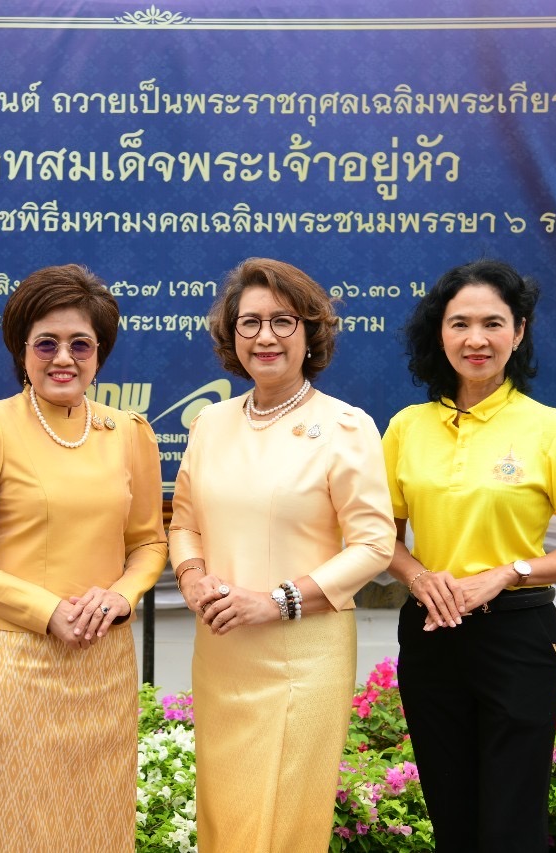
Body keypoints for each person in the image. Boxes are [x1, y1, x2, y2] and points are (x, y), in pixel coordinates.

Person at [0, 264, 167, 851]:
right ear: (22, 350)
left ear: (100, 353)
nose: (64, 358)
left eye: (80, 344)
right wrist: (45, 610)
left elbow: (149, 543)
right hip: (18, 661)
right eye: (47, 344)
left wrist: (119, 597)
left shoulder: (129, 432)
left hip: (104, 659)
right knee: (9, 823)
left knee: (96, 823)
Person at [382, 258, 556, 851]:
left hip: (518, 634)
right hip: (431, 631)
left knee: (511, 822)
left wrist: (508, 573)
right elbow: (380, 538)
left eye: (492, 323)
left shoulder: (551, 429)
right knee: (451, 816)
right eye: (460, 323)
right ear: (441, 333)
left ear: (520, 331)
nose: (476, 339)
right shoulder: (407, 427)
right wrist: (416, 575)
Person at [169, 257, 397, 851]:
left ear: (310, 332)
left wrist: (278, 601)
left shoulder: (346, 426)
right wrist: (192, 578)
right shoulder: (211, 424)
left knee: (285, 815)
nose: (264, 336)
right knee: (227, 808)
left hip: (303, 653)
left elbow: (374, 544)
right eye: (249, 323)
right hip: (221, 649)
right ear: (231, 335)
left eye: (282, 321)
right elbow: (185, 522)